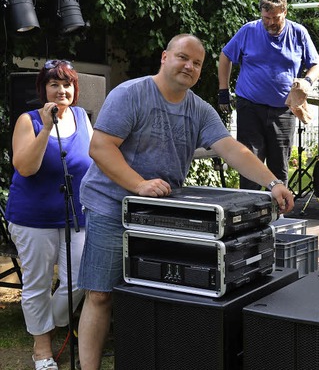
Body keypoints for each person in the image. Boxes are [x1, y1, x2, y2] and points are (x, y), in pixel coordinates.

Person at [76, 34, 295, 370]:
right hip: (111, 205)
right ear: (164, 57)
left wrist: (274, 182)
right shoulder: (130, 94)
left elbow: (233, 149)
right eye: (183, 57)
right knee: (101, 294)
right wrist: (139, 184)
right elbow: (101, 147)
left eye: (197, 63)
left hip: (159, 212)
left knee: (156, 292)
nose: (189, 66)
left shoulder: (199, 110)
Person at [5, 60, 93, 370]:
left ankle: (48, 324)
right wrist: (45, 128)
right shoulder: (27, 121)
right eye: (54, 84)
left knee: (81, 279)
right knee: (38, 284)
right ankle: (41, 348)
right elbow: (26, 167)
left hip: (76, 215)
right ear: (43, 88)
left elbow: (94, 163)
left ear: (75, 89)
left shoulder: (83, 118)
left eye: (67, 84)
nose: (61, 90)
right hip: (33, 218)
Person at [218, 0, 319, 190]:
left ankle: (278, 216)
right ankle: (249, 216)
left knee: (279, 168)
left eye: (275, 18)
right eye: (266, 18)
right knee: (249, 164)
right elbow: (225, 57)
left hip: (283, 110)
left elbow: (316, 64)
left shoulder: (298, 33)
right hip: (250, 107)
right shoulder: (248, 30)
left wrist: (308, 81)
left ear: (285, 12)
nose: (271, 23)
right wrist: (223, 91)